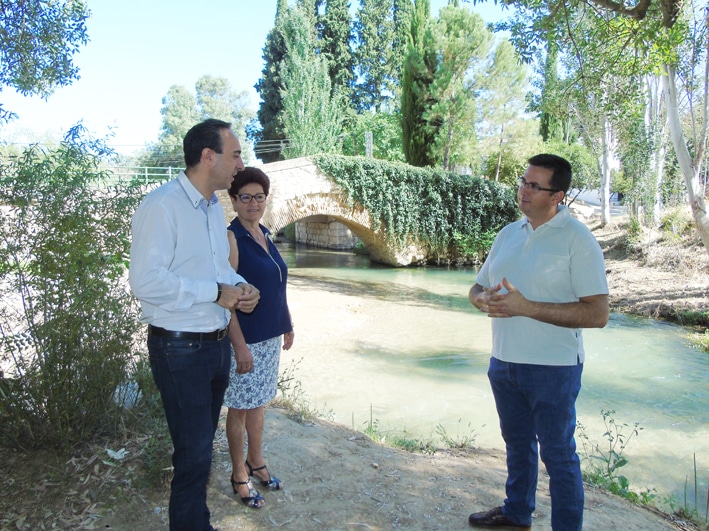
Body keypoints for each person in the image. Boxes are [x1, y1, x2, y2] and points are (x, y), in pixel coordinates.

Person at [129, 118, 261, 531]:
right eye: (235, 153)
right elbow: (145, 282)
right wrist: (213, 293)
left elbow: (218, 268)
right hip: (179, 348)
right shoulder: (161, 205)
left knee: (201, 450)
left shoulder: (209, 209)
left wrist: (242, 288)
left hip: (215, 345)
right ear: (209, 156)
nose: (242, 163)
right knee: (193, 457)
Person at [467, 154, 609, 531]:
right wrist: (480, 299)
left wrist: (526, 307)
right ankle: (517, 513)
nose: (523, 190)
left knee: (559, 456)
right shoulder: (508, 233)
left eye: (535, 185)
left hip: (554, 369)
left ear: (557, 195)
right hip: (503, 361)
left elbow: (597, 314)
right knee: (516, 444)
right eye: (523, 181)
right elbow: (477, 286)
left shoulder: (578, 241)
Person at [223, 166, 294, 509]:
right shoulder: (232, 238)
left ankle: (257, 459)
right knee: (238, 409)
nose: (254, 203)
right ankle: (239, 473)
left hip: (269, 336)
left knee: (259, 403)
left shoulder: (265, 232)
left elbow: (277, 284)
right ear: (234, 201)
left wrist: (288, 322)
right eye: (246, 197)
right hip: (246, 339)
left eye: (260, 196)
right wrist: (238, 347)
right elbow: (227, 302)